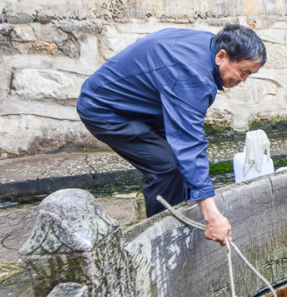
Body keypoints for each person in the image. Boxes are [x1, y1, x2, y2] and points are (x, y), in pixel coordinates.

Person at [77, 24, 266, 245]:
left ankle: (179, 212)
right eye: (243, 72)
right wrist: (213, 215)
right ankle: (162, 238)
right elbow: (189, 144)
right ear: (221, 56)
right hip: (105, 108)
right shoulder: (192, 75)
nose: (243, 80)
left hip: (144, 105)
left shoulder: (209, 45)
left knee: (179, 163)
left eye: (249, 75)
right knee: (166, 167)